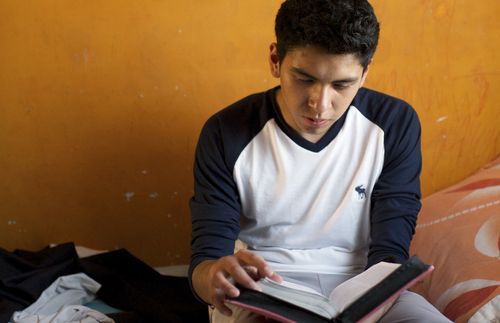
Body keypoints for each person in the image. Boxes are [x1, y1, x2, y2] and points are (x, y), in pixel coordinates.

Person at [189, 0, 452, 322]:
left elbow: (391, 247)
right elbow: (205, 260)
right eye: (304, 78)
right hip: (266, 291)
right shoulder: (226, 131)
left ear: (365, 72)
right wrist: (215, 274)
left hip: (368, 284)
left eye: (342, 85)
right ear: (275, 60)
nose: (320, 105)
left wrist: (375, 303)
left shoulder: (394, 123)